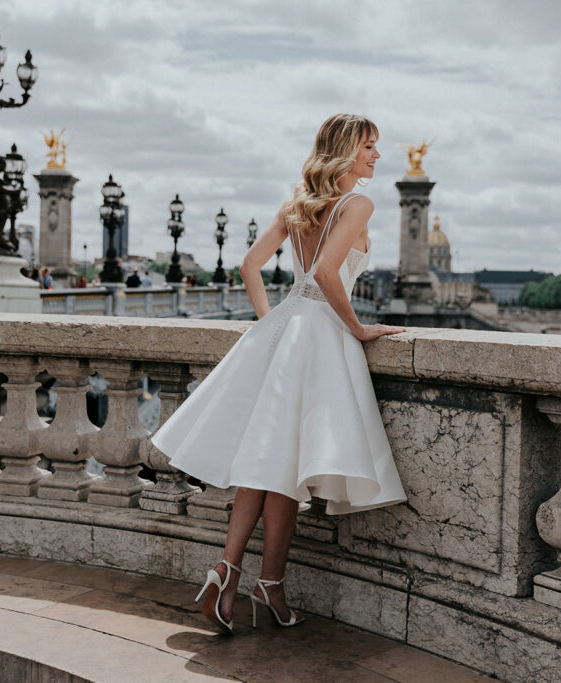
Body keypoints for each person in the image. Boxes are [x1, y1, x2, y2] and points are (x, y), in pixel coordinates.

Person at [151, 114, 406, 634]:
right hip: (321, 335)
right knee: (284, 469)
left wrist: (275, 324)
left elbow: (250, 264)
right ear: (346, 151)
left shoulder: (299, 203)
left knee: (264, 465)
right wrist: (357, 329)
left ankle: (227, 573)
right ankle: (270, 586)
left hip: (287, 325)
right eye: (370, 146)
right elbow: (327, 275)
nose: (378, 155)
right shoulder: (358, 204)